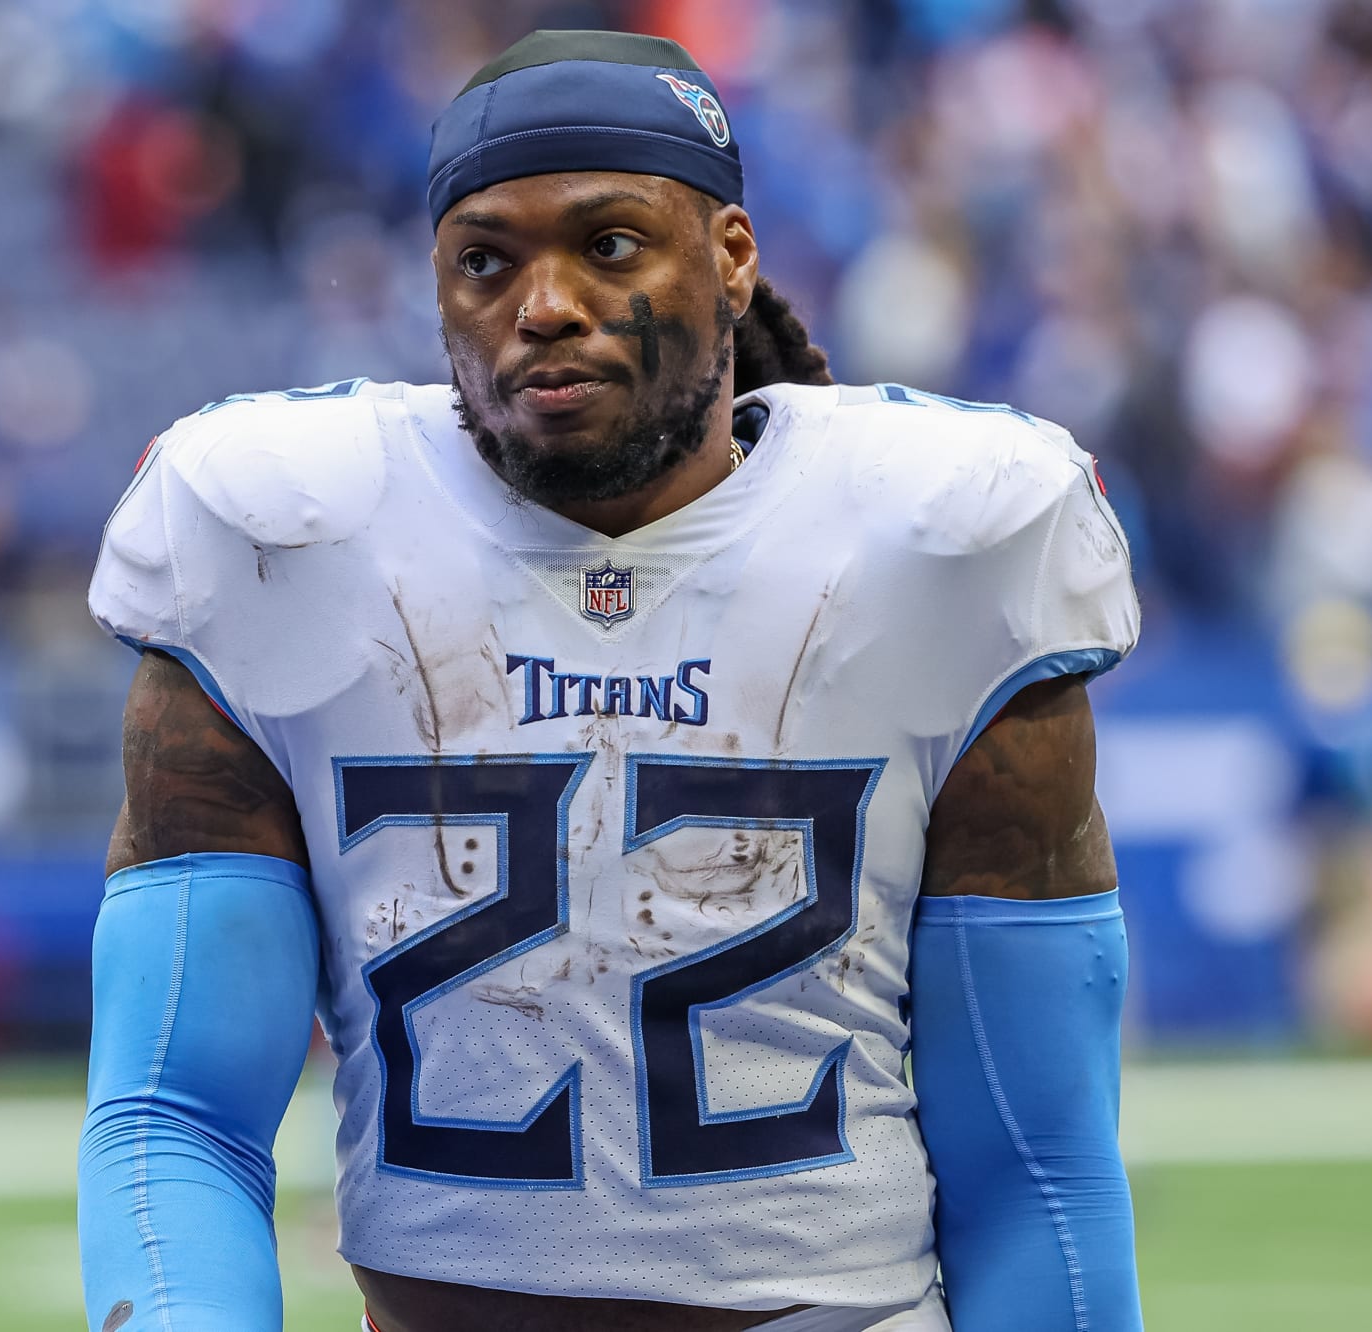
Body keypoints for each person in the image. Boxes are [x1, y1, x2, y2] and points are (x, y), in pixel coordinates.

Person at [78, 29, 1144, 1332]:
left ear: (733, 258)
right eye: (486, 260)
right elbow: (175, 1114)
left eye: (610, 244)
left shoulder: (943, 544)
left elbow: (1033, 1168)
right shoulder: (279, 534)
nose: (543, 305)